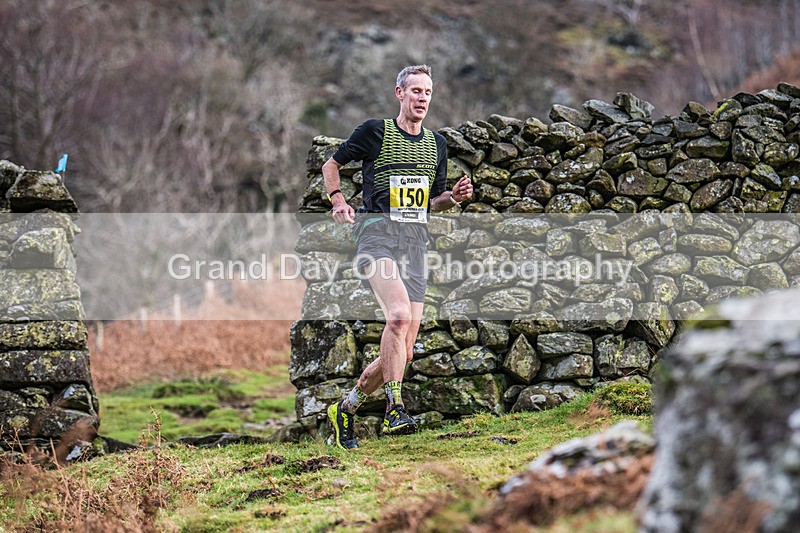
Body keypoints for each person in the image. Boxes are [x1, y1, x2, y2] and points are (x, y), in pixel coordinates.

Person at [323, 64, 473, 449]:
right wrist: (338, 200)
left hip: (415, 242)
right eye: (416, 91)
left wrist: (452, 198)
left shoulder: (437, 144)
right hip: (377, 235)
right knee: (399, 316)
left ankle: (346, 408)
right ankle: (395, 408)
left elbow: (433, 201)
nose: (422, 99)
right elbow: (331, 164)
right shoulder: (375, 131)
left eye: (428, 93)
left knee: (403, 350)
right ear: (400, 93)